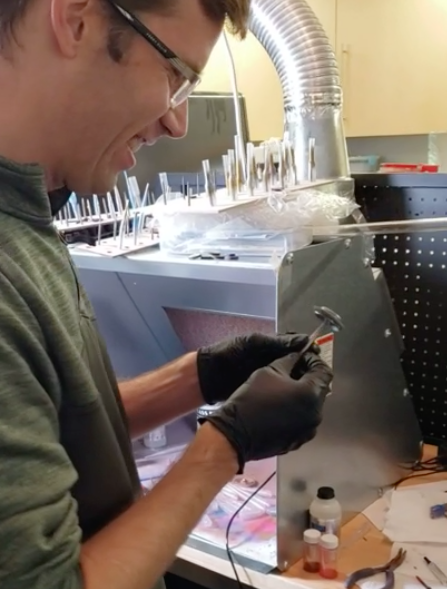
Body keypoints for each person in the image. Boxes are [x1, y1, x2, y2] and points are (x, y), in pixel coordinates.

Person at [0, 1, 333, 589]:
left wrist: (198, 376)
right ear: (76, 19)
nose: (178, 124)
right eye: (175, 75)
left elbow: (56, 424)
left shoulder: (28, 213)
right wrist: (224, 447)